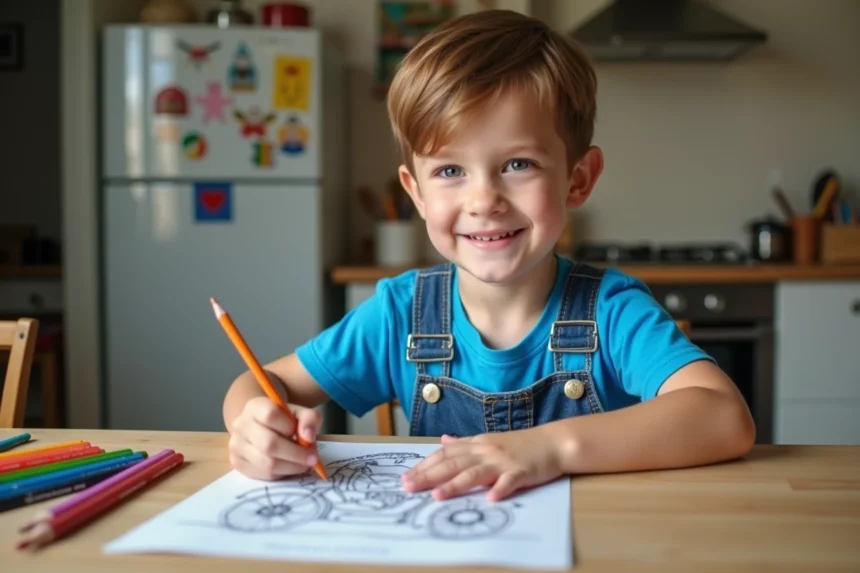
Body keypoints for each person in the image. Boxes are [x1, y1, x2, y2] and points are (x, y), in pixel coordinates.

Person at [222, 9, 755, 503]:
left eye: (518, 164)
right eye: (450, 171)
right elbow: (259, 383)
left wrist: (549, 448)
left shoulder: (613, 310)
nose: (484, 201)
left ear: (577, 179)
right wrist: (254, 425)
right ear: (416, 192)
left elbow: (724, 417)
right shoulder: (399, 314)